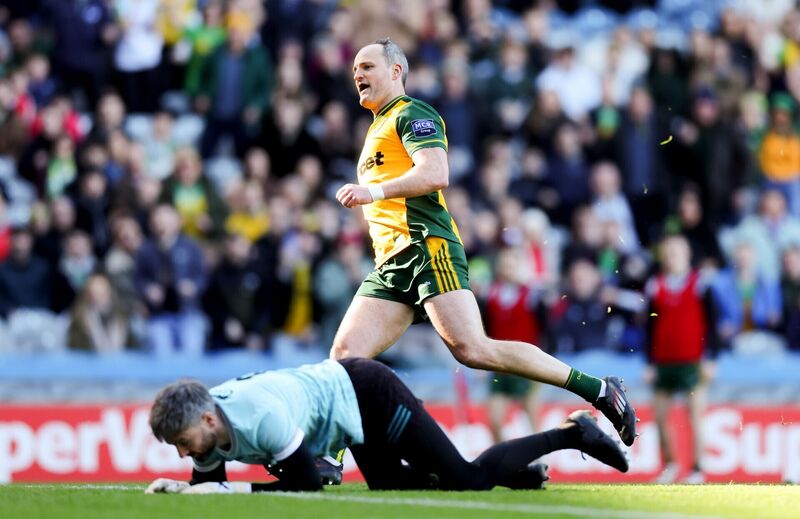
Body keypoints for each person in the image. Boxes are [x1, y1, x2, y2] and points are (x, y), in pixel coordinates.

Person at [332, 38, 638, 447]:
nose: (358, 74)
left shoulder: (412, 113)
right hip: (389, 263)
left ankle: (599, 390)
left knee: (473, 349)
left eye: (367, 66)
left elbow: (436, 173)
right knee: (344, 357)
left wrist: (374, 192)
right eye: (355, 68)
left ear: (395, 71)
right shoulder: (375, 130)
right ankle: (332, 456)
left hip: (427, 249)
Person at [145, 357, 628, 494]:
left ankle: (572, 432)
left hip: (370, 394)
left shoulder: (259, 416)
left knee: (464, 478)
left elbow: (308, 486)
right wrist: (180, 488)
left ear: (208, 418)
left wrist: (229, 492)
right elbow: (206, 487)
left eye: (184, 444)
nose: (185, 455)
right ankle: (514, 474)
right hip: (346, 412)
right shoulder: (205, 425)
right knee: (389, 484)